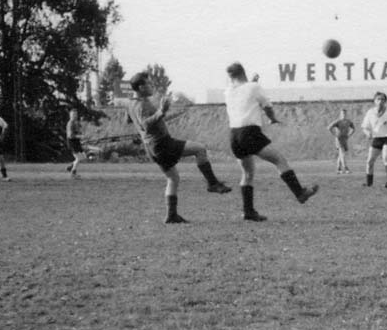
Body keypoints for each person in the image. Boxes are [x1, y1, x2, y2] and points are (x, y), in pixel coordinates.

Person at [127, 71, 231, 224]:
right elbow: (145, 124)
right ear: (141, 87)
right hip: (161, 143)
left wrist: (170, 114)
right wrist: (161, 111)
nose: (151, 86)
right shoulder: (141, 104)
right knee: (199, 149)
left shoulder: (131, 103)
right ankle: (212, 183)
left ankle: (171, 215)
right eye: (148, 84)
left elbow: (131, 121)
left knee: (173, 178)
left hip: (151, 147)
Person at [224, 62, 318, 221]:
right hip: (249, 132)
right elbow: (267, 106)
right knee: (279, 160)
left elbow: (243, 94)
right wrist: (272, 118)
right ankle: (300, 193)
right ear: (244, 72)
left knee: (247, 173)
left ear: (231, 77)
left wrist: (251, 83)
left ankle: (248, 212)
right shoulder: (253, 87)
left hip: (234, 136)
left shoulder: (228, 91)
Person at [327, 108, 356, 174]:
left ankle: (338, 169)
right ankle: (346, 168)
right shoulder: (338, 121)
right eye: (342, 113)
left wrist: (349, 135)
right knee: (342, 153)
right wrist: (335, 134)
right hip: (339, 139)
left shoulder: (349, 122)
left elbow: (354, 129)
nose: (344, 114)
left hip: (345, 139)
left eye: (345, 113)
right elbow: (329, 127)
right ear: (340, 114)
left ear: (346, 114)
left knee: (341, 154)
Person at [65, 108, 85, 178]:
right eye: (73, 114)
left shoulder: (76, 122)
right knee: (79, 158)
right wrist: (80, 136)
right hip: (72, 142)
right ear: (70, 115)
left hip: (76, 141)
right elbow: (70, 135)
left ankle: (71, 166)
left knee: (83, 157)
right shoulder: (70, 123)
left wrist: (81, 137)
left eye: (76, 114)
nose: (75, 116)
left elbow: (79, 132)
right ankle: (73, 173)